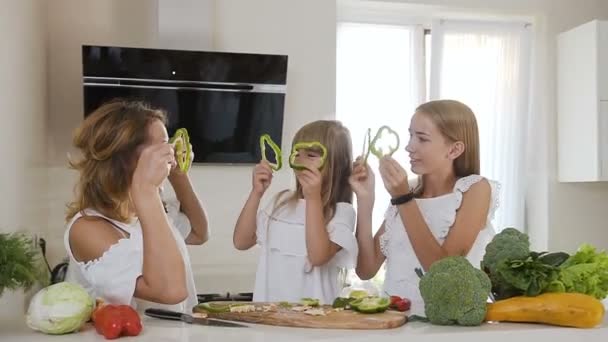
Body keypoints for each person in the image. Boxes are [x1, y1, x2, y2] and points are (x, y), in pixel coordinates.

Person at [350, 100, 499, 314]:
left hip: (443, 328)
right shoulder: (408, 190)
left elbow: (442, 271)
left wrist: (402, 198)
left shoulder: (475, 189)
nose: (409, 146)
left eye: (422, 138)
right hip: (395, 324)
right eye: (410, 135)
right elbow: (366, 269)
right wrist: (365, 200)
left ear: (454, 149)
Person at [64, 100, 209, 313]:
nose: (170, 151)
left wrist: (178, 175)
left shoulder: (147, 211)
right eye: (161, 146)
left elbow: (199, 233)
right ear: (126, 158)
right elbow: (170, 291)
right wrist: (146, 190)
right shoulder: (87, 229)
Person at [233, 120, 358, 304]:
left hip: (315, 324)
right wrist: (256, 193)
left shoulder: (341, 212)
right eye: (296, 153)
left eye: (311, 154)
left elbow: (318, 256)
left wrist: (313, 198)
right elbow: (241, 242)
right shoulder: (281, 202)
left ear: (335, 165)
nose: (300, 160)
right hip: (271, 319)